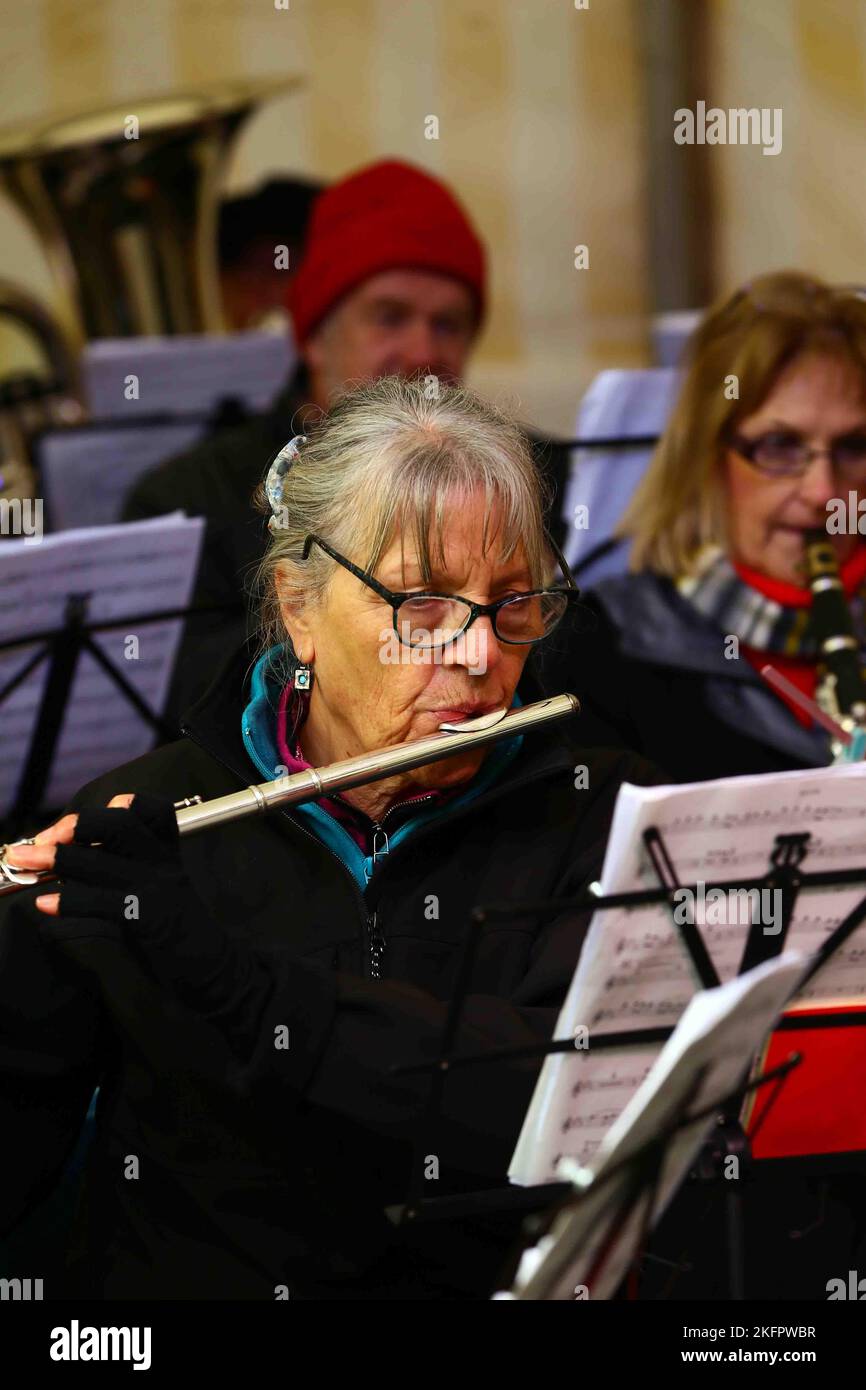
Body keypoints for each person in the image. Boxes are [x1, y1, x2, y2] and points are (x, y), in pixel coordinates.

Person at [0, 378, 652, 1301]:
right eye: (422, 604)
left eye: (513, 602)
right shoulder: (143, 826)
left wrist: (239, 986)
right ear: (299, 605)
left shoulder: (608, 813)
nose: (479, 656)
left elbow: (574, 1110)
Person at [122, 160, 572, 728]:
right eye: (389, 318)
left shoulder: (544, 474)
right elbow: (189, 701)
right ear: (313, 337)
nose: (421, 351)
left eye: (449, 325)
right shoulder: (187, 495)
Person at [537, 271, 866, 781]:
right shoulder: (597, 654)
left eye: (853, 447)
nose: (823, 492)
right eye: (778, 446)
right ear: (707, 458)